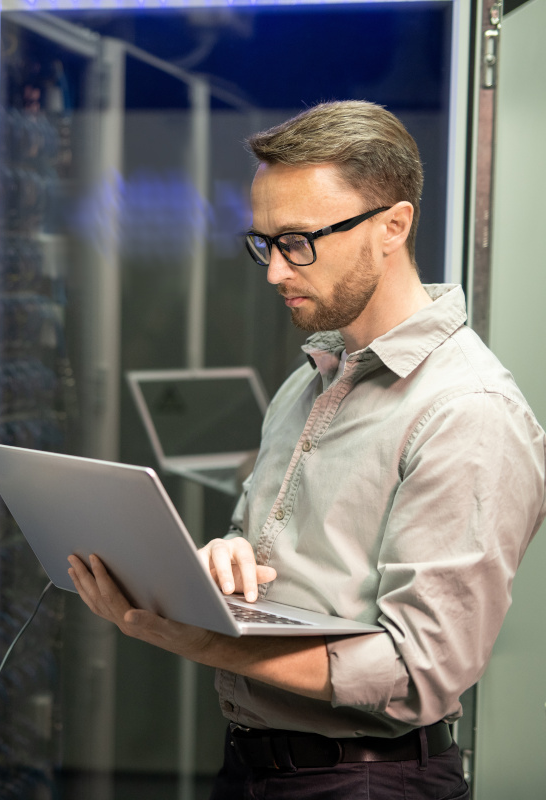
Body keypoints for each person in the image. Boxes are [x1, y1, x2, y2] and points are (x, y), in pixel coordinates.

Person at [68, 101, 546, 799]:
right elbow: (264, 547)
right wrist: (224, 562)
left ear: (393, 226)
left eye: (299, 242)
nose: (274, 272)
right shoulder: (311, 377)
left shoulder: (468, 411)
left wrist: (198, 640)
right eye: (265, 243)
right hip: (257, 764)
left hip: (368, 782)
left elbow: (419, 672)